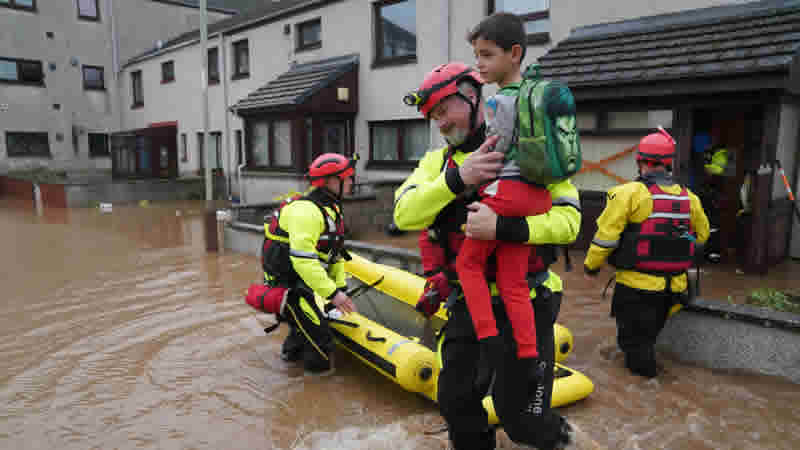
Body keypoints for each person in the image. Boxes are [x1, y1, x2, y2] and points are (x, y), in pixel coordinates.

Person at [396, 47, 578, 450]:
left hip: (527, 300)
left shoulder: (531, 152)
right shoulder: (436, 163)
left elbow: (570, 223)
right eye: (433, 117)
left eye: (445, 110)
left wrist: (506, 227)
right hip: (469, 302)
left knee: (522, 420)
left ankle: (558, 437)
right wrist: (458, 179)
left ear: (473, 95)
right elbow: (403, 213)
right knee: (456, 402)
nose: (441, 123)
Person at [454, 12, 554, 364]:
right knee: (514, 282)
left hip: (508, 192)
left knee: (468, 265)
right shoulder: (537, 95)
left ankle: (488, 339)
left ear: (514, 53)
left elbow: (497, 152)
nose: (478, 63)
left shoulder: (500, 101)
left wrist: (474, 167)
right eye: (476, 55)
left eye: (486, 54)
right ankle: (528, 352)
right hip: (537, 196)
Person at [583, 128, 710, 378]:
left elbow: (605, 239)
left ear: (640, 162)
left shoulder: (628, 193)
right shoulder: (690, 199)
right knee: (646, 341)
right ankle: (650, 383)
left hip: (635, 288)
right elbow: (702, 238)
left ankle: (647, 389)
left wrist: (591, 267)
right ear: (669, 164)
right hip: (673, 290)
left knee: (633, 347)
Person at [260, 153, 358, 373]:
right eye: (348, 177)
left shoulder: (331, 208)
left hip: (301, 283)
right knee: (321, 340)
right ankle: (316, 391)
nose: (352, 181)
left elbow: (335, 253)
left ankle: (288, 367)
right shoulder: (307, 212)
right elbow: (304, 262)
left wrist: (340, 289)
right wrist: (334, 294)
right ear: (332, 181)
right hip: (288, 288)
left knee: (303, 329)